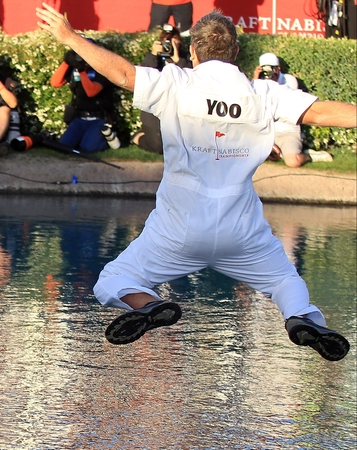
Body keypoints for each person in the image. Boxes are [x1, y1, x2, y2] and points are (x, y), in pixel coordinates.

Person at [36, 5, 356, 361]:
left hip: (177, 231)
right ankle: (300, 317)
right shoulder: (262, 93)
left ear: (193, 52)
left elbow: (124, 74)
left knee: (112, 280)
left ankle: (150, 304)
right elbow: (322, 111)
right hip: (242, 233)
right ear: (235, 52)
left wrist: (69, 36)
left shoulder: (176, 82)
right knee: (286, 283)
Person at [252, 52, 332, 166]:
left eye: (271, 69)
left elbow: (282, 102)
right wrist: (256, 79)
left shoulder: (289, 80)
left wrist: (267, 83)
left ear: (278, 69)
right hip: (267, 132)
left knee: (293, 162)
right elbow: (251, 102)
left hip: (288, 131)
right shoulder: (258, 83)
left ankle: (309, 156)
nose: (268, 73)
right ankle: (276, 153)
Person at [49, 40, 119, 154]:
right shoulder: (75, 69)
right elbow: (55, 83)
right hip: (79, 118)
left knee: (88, 149)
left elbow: (91, 92)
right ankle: (86, 138)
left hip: (98, 119)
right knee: (63, 146)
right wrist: (67, 62)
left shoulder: (102, 69)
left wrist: (82, 71)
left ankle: (107, 138)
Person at [133, 23, 191, 155]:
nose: (168, 45)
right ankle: (139, 137)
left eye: (172, 41)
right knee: (159, 147)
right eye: (166, 41)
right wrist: (153, 54)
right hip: (155, 110)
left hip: (178, 109)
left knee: (181, 147)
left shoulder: (186, 57)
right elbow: (144, 77)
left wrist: (178, 59)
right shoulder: (155, 58)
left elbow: (190, 79)